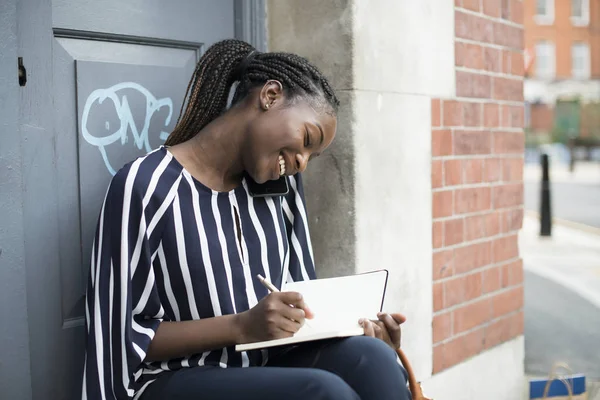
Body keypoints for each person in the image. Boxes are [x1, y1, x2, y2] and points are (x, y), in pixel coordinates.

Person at [82, 39, 411, 400]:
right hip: (173, 379)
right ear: (270, 95)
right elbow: (121, 336)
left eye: (311, 157)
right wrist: (241, 326)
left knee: (376, 358)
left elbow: (303, 310)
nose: (302, 161)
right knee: (322, 393)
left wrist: (355, 327)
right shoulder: (146, 186)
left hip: (265, 366)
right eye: (306, 139)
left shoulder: (282, 190)